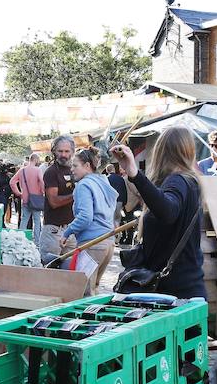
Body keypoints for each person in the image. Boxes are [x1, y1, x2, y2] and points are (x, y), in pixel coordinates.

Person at [110, 126, 205, 299]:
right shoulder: (188, 182)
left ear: (160, 151)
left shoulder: (178, 181)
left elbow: (168, 211)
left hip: (175, 293)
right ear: (189, 150)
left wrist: (135, 174)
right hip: (183, 288)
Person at [63, 148, 118, 287]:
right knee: (94, 289)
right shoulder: (103, 182)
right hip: (108, 243)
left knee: (83, 291)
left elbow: (85, 217)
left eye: (75, 166)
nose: (72, 169)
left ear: (87, 166)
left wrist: (67, 233)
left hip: (92, 244)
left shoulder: (84, 185)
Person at [39, 135, 77, 263]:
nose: (63, 155)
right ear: (54, 151)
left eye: (67, 151)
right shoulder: (51, 172)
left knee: (71, 269)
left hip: (71, 229)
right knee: (50, 268)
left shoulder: (75, 170)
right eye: (60, 151)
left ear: (72, 152)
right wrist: (76, 194)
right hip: (54, 230)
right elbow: (54, 202)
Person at [11, 153, 45, 244]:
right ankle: (37, 241)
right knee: (37, 221)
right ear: (36, 160)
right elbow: (42, 182)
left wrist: (19, 193)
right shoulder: (38, 170)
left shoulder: (21, 170)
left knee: (24, 220)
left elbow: (12, 182)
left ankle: (20, 240)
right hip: (37, 199)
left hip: (25, 199)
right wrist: (43, 192)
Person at [105, 164, 128, 229]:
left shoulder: (105, 179)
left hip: (110, 202)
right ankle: (118, 231)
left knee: (110, 219)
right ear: (114, 169)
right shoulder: (120, 178)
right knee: (117, 219)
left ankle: (112, 232)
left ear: (107, 171)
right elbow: (124, 190)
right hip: (119, 201)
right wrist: (124, 202)